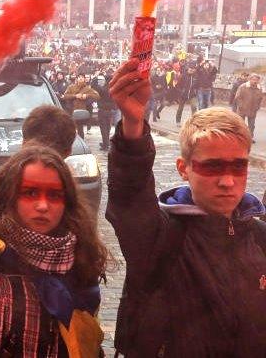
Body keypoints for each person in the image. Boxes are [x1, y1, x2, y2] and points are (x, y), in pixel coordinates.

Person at [106, 60, 266, 356]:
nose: (227, 181)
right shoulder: (160, 236)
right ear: (183, 168)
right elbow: (129, 198)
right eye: (212, 166)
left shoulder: (259, 237)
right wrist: (132, 125)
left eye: (238, 167)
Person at [0, 123, 108, 356]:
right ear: (9, 197)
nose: (42, 205)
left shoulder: (81, 259)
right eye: (30, 193)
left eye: (54, 195)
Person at [61, 74, 99, 139]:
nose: (81, 78)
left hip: (81, 111)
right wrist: (75, 96)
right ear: (77, 79)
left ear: (84, 79)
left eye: (82, 77)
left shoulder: (87, 88)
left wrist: (86, 96)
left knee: (80, 129)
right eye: (79, 77)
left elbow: (97, 96)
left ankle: (81, 142)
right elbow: (65, 96)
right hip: (71, 110)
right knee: (71, 129)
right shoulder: (71, 87)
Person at [91, 70, 117, 151]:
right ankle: (106, 142)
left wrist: (96, 77)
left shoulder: (103, 89)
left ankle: (105, 144)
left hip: (102, 110)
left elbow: (93, 86)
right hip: (110, 110)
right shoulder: (114, 89)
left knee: (103, 128)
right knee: (108, 127)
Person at [234, 72, 263, 140]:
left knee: (251, 125)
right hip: (242, 109)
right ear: (249, 79)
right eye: (253, 79)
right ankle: (239, 137)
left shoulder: (259, 88)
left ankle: (250, 138)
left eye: (256, 80)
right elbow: (237, 97)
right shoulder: (243, 87)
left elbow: (260, 99)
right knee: (241, 124)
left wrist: (257, 107)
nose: (255, 81)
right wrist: (241, 106)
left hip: (253, 109)